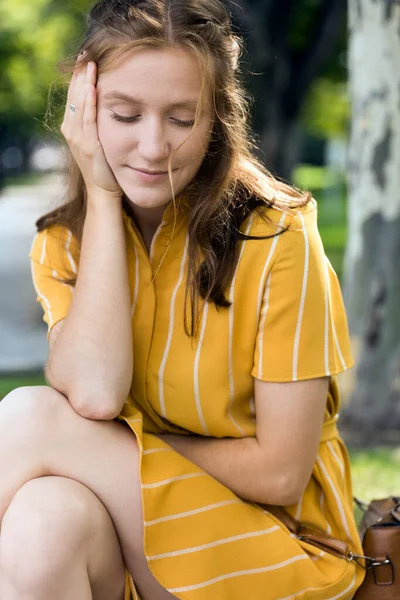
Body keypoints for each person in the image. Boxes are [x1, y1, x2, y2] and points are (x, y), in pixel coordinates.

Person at [0, 0, 365, 598]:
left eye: (180, 118)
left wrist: (99, 448)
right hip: (145, 532)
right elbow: (95, 392)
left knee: (33, 419)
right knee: (44, 520)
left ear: (215, 119)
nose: (151, 147)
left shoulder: (279, 239)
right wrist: (101, 194)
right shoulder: (63, 245)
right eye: (124, 114)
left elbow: (279, 474)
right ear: (84, 111)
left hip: (280, 549)